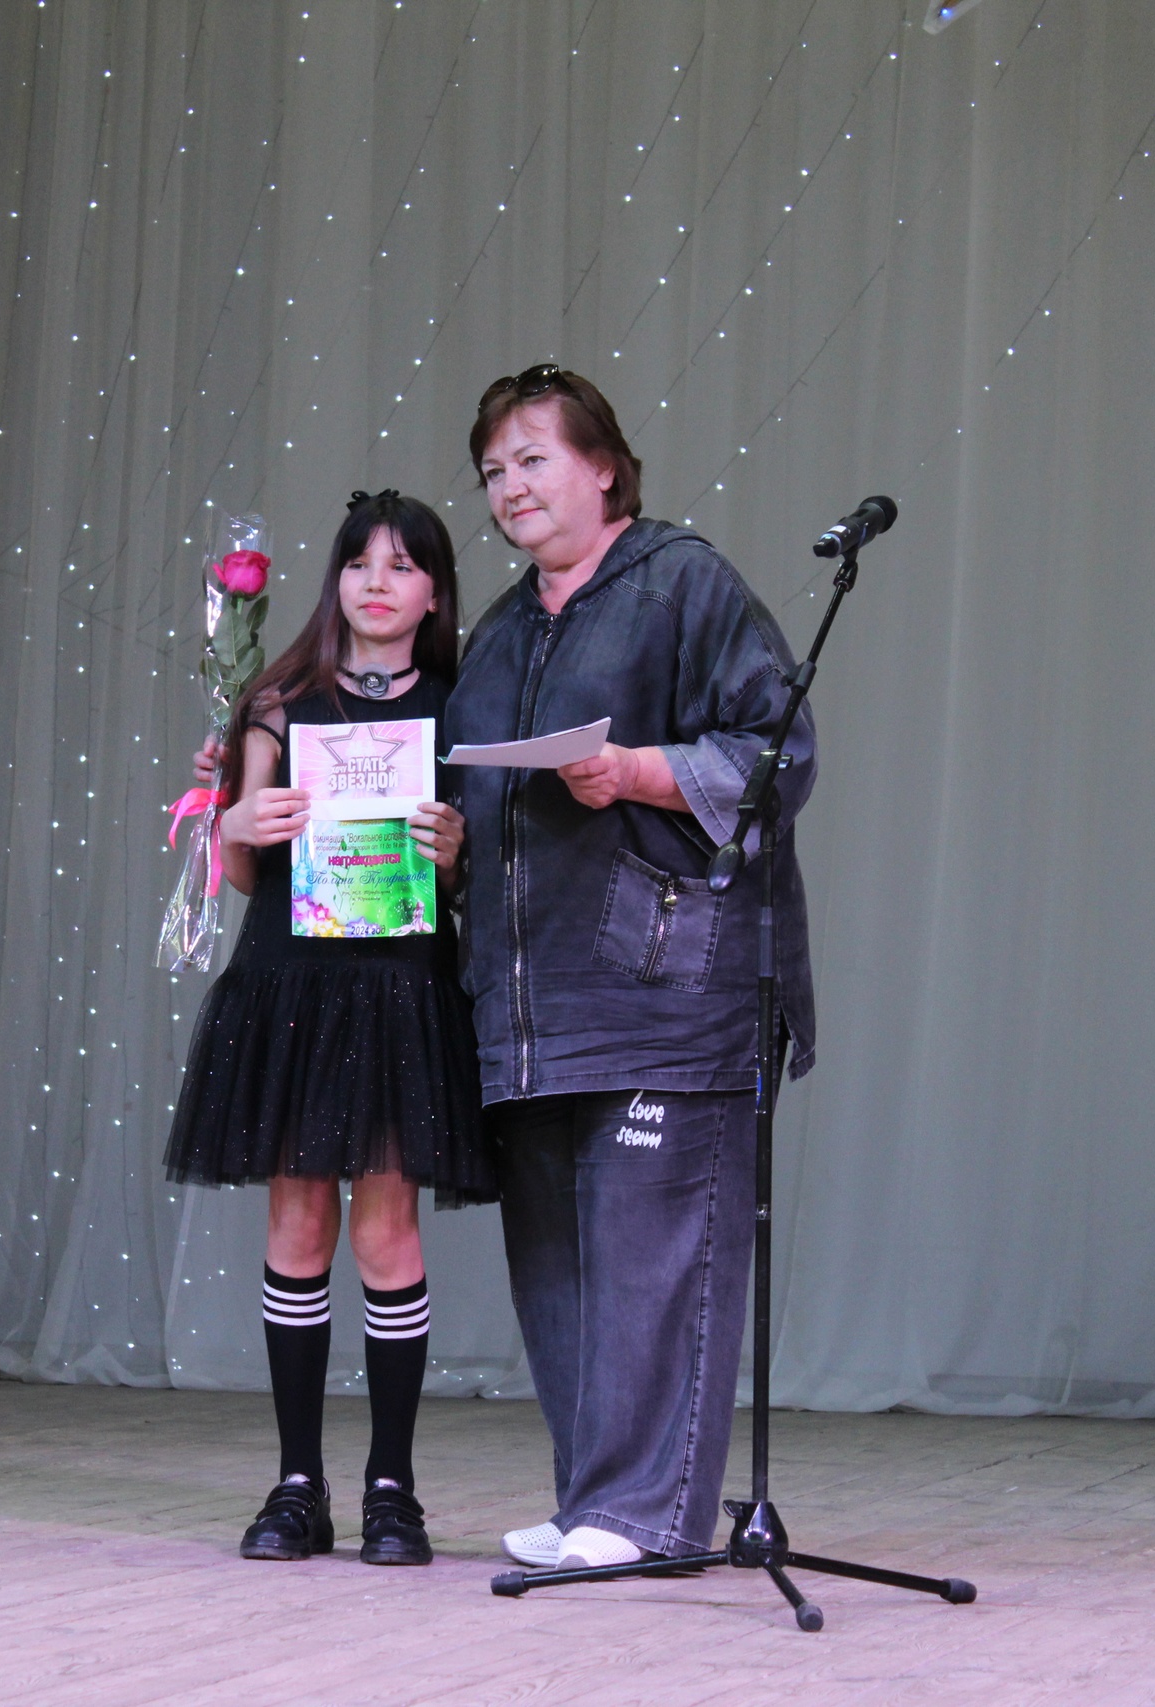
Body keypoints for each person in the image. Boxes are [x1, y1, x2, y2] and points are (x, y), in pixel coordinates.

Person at [448, 366, 817, 1572]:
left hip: (667, 983)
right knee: (557, 1261)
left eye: (533, 459)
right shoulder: (501, 632)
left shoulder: (682, 583)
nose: (510, 486)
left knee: (652, 1255)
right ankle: (590, 1501)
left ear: (603, 468)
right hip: (530, 998)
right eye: (493, 470)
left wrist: (637, 772)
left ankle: (645, 1514)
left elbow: (777, 752)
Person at [166, 490, 489, 1567]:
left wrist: (457, 855)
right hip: (291, 983)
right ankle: (296, 1485)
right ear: (334, 580)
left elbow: (478, 874)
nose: (377, 583)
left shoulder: (460, 706)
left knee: (388, 1232)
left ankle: (393, 1489)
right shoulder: (276, 700)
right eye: (359, 563)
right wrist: (236, 819)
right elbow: (237, 868)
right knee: (298, 1226)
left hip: (400, 986)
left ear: (435, 592)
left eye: (402, 565)